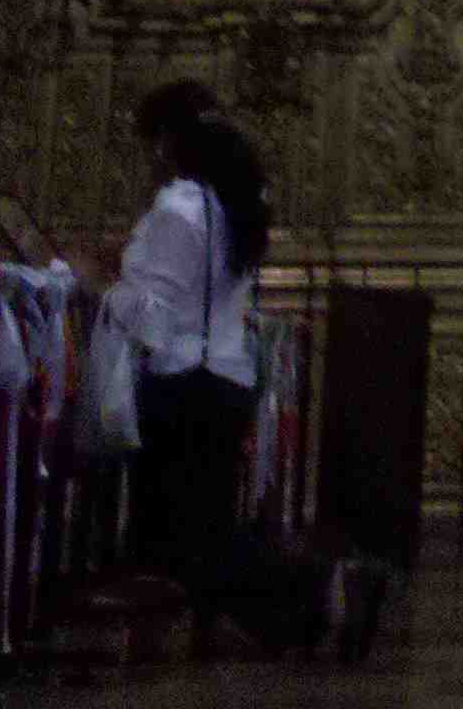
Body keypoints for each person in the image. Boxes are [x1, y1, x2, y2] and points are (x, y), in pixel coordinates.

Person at [115, 81, 343, 651]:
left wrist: (104, 292)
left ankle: (316, 587)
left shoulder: (179, 208)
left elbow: (156, 312)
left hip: (182, 381)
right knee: (207, 524)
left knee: (187, 535)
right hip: (224, 377)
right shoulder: (230, 205)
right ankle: (304, 598)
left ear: (166, 142)